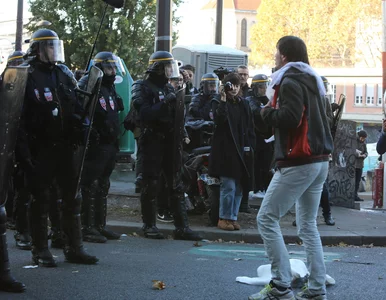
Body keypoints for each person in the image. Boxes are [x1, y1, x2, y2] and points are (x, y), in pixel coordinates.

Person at [250, 36, 333, 300]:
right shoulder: (314, 79)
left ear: (284, 56)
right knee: (308, 225)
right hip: (320, 160)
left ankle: (281, 286)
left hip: (299, 161)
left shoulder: (289, 81)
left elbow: (289, 118)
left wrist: (266, 113)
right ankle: (317, 288)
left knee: (266, 218)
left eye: (276, 52)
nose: (274, 57)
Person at [16, 28, 98, 267]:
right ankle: (40, 250)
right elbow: (16, 118)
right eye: (49, 46)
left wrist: (81, 123)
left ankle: (75, 247)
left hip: (65, 147)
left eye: (55, 46)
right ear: (37, 50)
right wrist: (23, 154)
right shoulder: (26, 74)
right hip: (39, 147)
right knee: (41, 199)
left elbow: (74, 105)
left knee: (72, 198)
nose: (54, 51)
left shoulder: (63, 73)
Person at [132, 50, 201, 241]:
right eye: (167, 67)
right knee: (151, 184)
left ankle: (182, 227)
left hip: (170, 142)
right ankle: (149, 225)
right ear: (157, 68)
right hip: (152, 141)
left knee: (176, 185)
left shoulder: (171, 89)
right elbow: (144, 113)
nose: (171, 71)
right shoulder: (141, 86)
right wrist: (164, 104)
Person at [78, 51, 124, 243]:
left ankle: (100, 225)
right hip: (95, 144)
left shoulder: (110, 87)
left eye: (114, 67)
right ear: (98, 69)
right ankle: (86, 227)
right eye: (108, 67)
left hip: (110, 143)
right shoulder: (89, 84)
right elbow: (80, 110)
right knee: (90, 185)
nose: (112, 71)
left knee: (103, 185)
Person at [209, 72, 255, 231]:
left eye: (237, 85)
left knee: (239, 186)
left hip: (241, 151)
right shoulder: (218, 101)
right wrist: (222, 98)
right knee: (228, 186)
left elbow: (249, 127)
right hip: (225, 151)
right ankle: (223, 218)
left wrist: (249, 147)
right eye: (231, 85)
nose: (234, 88)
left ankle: (233, 217)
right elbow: (218, 120)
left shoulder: (243, 104)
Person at [246, 74, 273, 199]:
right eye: (261, 87)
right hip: (256, 136)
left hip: (267, 137)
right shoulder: (250, 99)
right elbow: (256, 113)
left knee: (266, 164)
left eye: (265, 86)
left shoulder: (267, 99)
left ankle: (264, 187)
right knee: (257, 164)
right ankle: (257, 188)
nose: (264, 89)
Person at [354, 130, 368, 202]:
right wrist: (357, 154)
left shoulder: (364, 143)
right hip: (353, 164)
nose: (363, 140)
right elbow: (351, 150)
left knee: (357, 181)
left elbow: (366, 152)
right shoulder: (354, 141)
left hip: (360, 164)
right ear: (359, 136)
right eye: (362, 138)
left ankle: (355, 195)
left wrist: (364, 155)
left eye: (364, 138)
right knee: (353, 181)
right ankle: (351, 195)